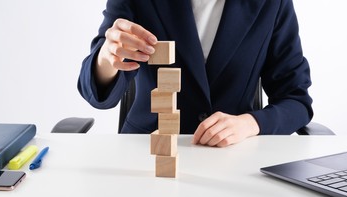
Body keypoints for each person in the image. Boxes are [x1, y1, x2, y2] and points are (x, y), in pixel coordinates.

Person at [78, 0, 313, 147]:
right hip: (147, 149)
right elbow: (95, 93)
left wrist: (250, 124)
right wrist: (107, 59)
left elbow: (296, 100)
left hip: (234, 157)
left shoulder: (273, 3)